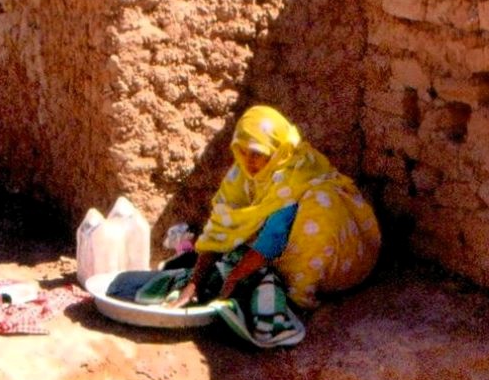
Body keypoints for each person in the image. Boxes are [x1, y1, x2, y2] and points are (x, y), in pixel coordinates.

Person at [162, 105, 381, 346]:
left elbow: (272, 239)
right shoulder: (242, 175)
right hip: (278, 246)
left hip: (345, 261)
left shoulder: (293, 175)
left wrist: (234, 278)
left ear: (276, 149)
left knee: (319, 207)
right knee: (234, 255)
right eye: (242, 151)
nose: (249, 161)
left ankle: (300, 294)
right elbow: (218, 229)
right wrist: (194, 283)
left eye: (257, 153)